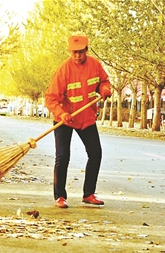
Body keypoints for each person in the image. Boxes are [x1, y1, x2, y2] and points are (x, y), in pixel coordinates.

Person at [45, 34, 112, 208]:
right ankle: (60, 196)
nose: (77, 56)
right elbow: (51, 98)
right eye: (74, 52)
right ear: (70, 52)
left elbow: (103, 81)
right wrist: (61, 113)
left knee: (95, 153)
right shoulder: (64, 70)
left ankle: (88, 193)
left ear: (86, 50)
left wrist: (105, 89)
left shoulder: (95, 65)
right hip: (65, 119)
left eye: (81, 52)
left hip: (86, 118)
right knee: (62, 156)